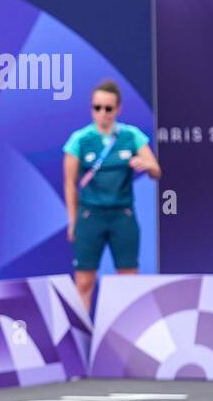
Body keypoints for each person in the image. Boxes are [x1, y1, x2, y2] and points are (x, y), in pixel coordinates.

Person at [62, 80, 159, 313]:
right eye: (97, 108)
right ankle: (83, 342)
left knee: (128, 281)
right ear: (91, 109)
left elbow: (157, 171)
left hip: (122, 215)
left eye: (108, 108)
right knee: (84, 281)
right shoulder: (79, 140)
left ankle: (126, 340)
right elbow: (69, 183)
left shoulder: (131, 135)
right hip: (91, 215)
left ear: (118, 109)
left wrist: (145, 164)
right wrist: (73, 220)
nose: (102, 113)